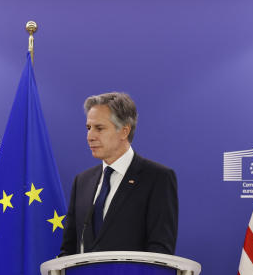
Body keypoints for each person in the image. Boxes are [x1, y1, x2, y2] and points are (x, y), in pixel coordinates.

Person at [59, 92, 178, 256]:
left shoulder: (157, 179)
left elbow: (160, 252)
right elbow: (69, 248)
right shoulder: (82, 181)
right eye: (88, 128)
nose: (90, 136)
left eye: (99, 128)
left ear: (124, 131)